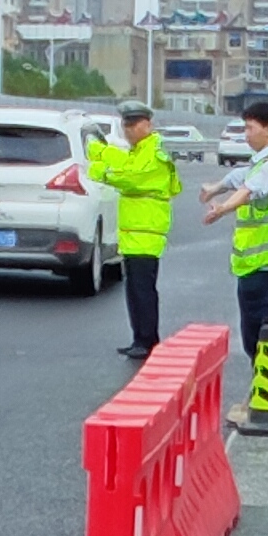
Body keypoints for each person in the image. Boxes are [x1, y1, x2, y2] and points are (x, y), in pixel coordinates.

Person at [199, 100, 268, 434]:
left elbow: (248, 190)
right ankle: (258, 395)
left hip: (263, 263)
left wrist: (221, 209)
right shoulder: (264, 162)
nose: (246, 134)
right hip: (255, 264)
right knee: (255, 335)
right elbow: (238, 177)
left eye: (251, 127)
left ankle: (261, 400)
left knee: (257, 336)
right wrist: (215, 187)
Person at [85, 104, 181, 358]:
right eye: (126, 125)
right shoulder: (140, 151)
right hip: (135, 232)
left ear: (148, 124)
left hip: (146, 232)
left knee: (142, 290)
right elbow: (125, 161)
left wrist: (99, 171)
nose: (128, 130)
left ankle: (147, 340)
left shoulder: (155, 154)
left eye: (134, 124)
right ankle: (140, 337)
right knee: (134, 290)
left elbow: (132, 178)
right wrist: (100, 150)